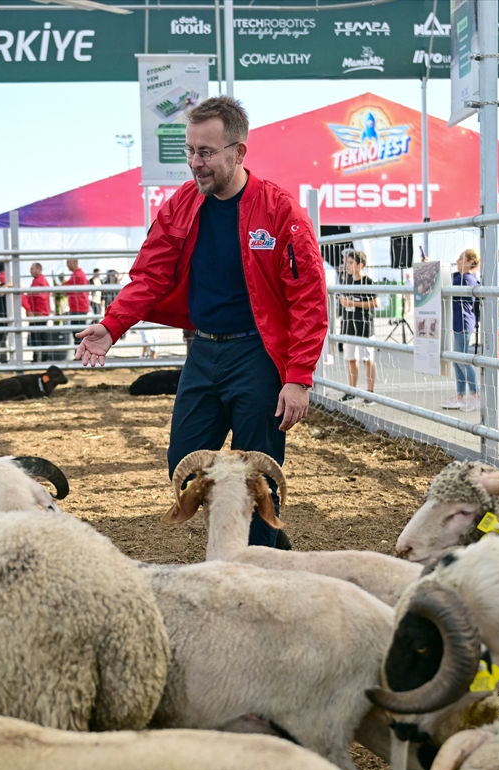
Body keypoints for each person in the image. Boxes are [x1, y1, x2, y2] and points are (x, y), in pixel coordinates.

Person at [74, 95, 327, 549]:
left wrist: (298, 377)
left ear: (239, 151)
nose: (195, 163)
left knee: (258, 471)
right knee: (184, 461)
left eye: (206, 152)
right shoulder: (182, 205)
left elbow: (307, 298)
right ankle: (271, 547)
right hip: (204, 349)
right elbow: (150, 275)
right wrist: (112, 326)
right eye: (190, 151)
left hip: (258, 354)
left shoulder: (280, 211)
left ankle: (258, 563)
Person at [443, 249, 481, 411]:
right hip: (460, 323)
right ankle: (460, 397)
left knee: (462, 361)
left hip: (463, 323)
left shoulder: (464, 279)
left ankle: (475, 396)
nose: (457, 261)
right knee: (458, 360)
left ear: (470, 262)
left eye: (461, 258)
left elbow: (444, 281)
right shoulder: (465, 278)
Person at [338, 249, 377, 403]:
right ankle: (352, 390)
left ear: (360, 265)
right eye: (347, 262)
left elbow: (375, 302)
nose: (347, 265)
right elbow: (342, 299)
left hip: (364, 326)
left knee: (367, 359)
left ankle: (370, 392)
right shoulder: (346, 281)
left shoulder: (369, 282)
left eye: (351, 262)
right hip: (349, 325)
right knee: (351, 358)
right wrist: (343, 301)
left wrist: (353, 303)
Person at [22, 262, 52, 362]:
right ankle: (44, 358)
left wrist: (32, 311)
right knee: (42, 336)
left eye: (32, 269)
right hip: (41, 314)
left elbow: (39, 299)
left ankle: (37, 359)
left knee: (36, 337)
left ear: (39, 269)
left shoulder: (38, 282)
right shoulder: (41, 281)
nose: (30, 271)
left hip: (38, 314)